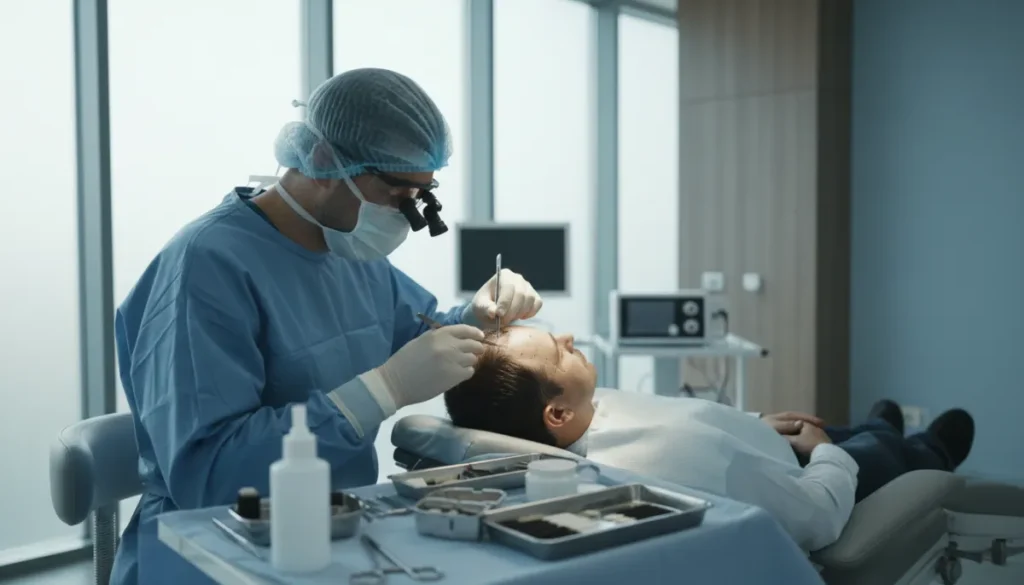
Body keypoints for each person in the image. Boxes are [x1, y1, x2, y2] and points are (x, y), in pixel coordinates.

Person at [111, 68, 543, 585]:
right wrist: (383, 390)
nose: (407, 216)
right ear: (322, 162)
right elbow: (210, 475)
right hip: (211, 549)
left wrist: (474, 315)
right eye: (397, 194)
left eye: (421, 196)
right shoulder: (207, 266)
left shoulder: (352, 253)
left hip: (335, 530)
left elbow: (421, 334)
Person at [443, 326, 976, 552]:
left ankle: (878, 426)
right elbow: (817, 518)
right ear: (556, 413)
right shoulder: (664, 460)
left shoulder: (584, 415)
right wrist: (824, 453)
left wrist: (750, 424)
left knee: (855, 427)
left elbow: (687, 417)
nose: (568, 338)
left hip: (764, 443)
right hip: (811, 477)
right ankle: (929, 450)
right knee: (873, 450)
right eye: (557, 353)